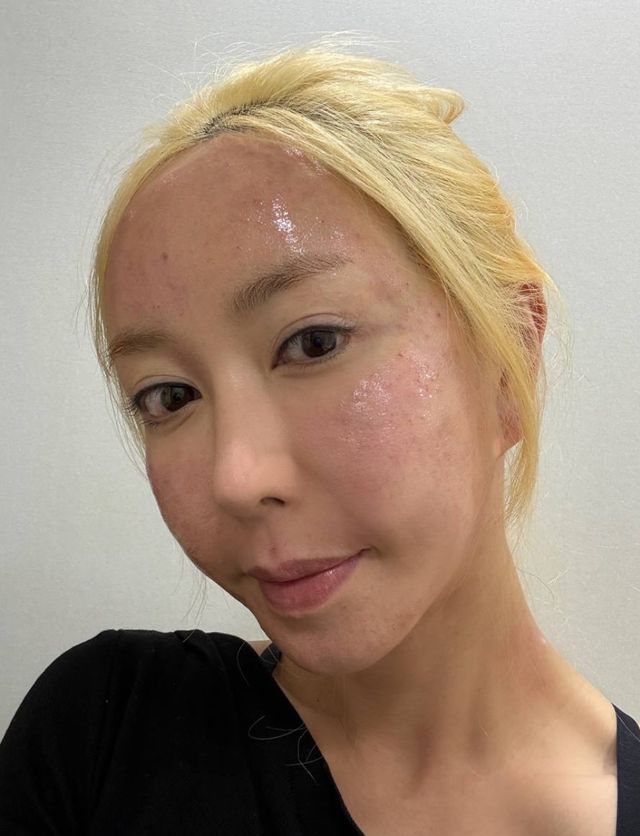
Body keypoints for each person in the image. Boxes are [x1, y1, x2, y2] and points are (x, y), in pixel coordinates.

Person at [1, 41, 638, 835]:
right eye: (170, 395)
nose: (237, 478)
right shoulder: (103, 740)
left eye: (314, 343)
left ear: (509, 361)